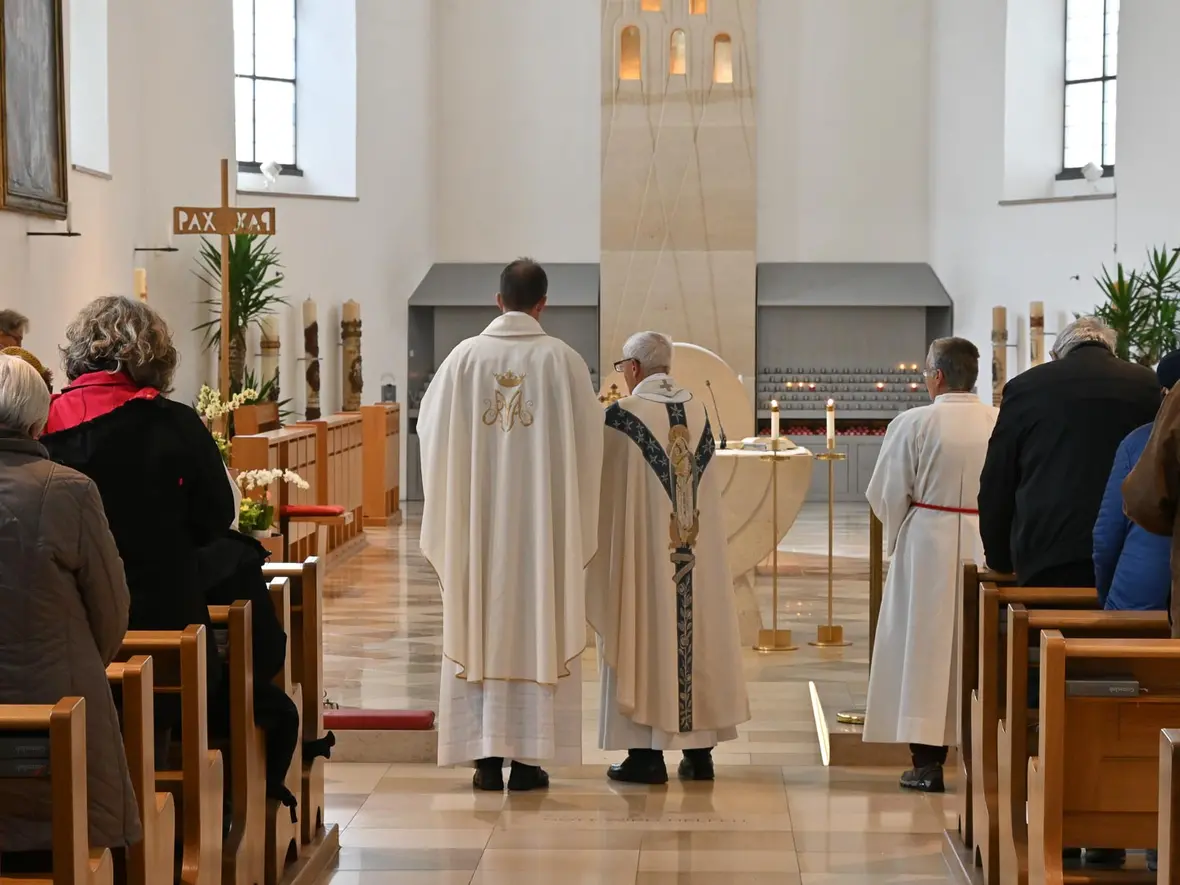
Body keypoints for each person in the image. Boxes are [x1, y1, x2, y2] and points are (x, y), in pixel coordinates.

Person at [418, 258, 604, 791]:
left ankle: (483, 758)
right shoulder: (564, 363)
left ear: (498, 301)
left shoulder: (462, 361)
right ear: (542, 304)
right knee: (537, 622)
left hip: (478, 535)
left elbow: (429, 434)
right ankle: (528, 761)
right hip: (541, 536)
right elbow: (591, 446)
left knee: (480, 622)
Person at [41, 296, 234, 718]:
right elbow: (216, 518)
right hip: (161, 618)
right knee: (161, 709)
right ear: (152, 356)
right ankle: (158, 769)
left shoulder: (41, 423)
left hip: (65, 632)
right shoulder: (177, 424)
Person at [587, 332, 749, 785]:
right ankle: (700, 756)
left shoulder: (621, 417)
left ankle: (646, 756)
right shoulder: (700, 411)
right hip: (698, 551)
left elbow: (601, 490)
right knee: (701, 633)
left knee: (644, 631)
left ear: (633, 368)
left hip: (646, 557)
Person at [0, 354, 141, 863]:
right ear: (41, 417)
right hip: (54, 725)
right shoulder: (69, 490)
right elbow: (110, 609)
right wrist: (81, 663)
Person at [863, 337, 998, 793]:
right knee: (976, 644)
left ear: (937, 376)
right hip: (984, 542)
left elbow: (886, 493)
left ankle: (926, 763)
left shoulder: (914, 422)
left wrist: (907, 527)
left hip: (927, 543)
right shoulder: (999, 420)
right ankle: (984, 755)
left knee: (923, 646)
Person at [979, 317, 1160, 587]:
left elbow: (999, 477)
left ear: (1056, 354)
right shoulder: (1149, 385)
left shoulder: (1026, 387)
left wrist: (999, 558)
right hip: (1131, 549)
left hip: (1049, 554)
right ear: (1113, 350)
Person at [1093, 350, 1180, 613]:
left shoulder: (1140, 443)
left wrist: (1110, 598)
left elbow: (1107, 536)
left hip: (1144, 594)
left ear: (1165, 394)